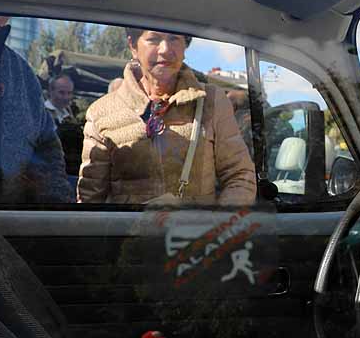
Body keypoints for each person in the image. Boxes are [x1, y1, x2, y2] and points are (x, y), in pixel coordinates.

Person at [77, 27, 256, 205]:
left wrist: (215, 226)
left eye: (174, 38)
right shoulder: (102, 112)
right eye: (153, 39)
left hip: (195, 232)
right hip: (129, 232)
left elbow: (240, 177)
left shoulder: (212, 101)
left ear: (185, 46)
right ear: (133, 46)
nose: (165, 49)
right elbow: (90, 199)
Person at [0, 14, 71, 204]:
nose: (1, 15)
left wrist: (60, 212)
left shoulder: (23, 73)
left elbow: (47, 147)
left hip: (10, 223)